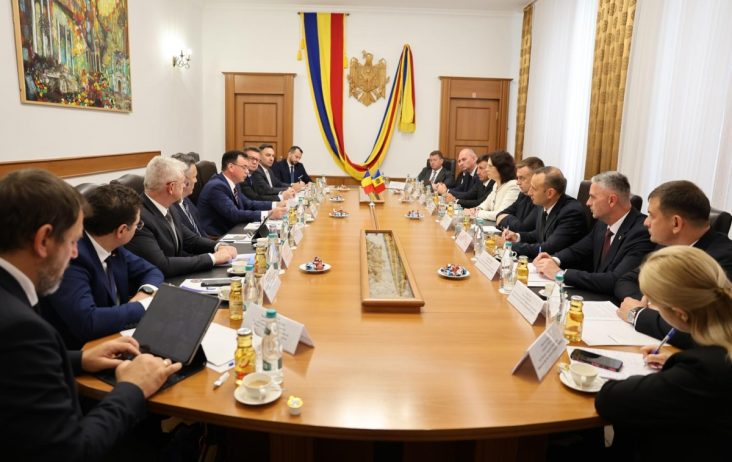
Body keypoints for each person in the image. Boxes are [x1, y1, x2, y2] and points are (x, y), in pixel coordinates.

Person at [0, 169, 181, 460]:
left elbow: (15, 364)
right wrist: (133, 387)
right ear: (43, 240)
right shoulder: (20, 329)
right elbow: (71, 451)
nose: (75, 254)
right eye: (72, 242)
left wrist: (81, 359)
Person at [595, 246, 732, 460]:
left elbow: (609, 400)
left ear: (680, 314)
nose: (648, 305)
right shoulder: (715, 353)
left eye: (652, 302)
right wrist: (676, 361)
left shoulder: (702, 372)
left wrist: (679, 371)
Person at [40, 184, 163, 349]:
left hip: (118, 334)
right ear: (122, 231)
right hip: (85, 349)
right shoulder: (72, 257)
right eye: (137, 225)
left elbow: (151, 271)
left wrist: (145, 293)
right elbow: (88, 322)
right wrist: (142, 306)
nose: (138, 228)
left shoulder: (112, 245)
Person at [614, 180, 732, 348]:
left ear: (676, 223)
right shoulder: (668, 243)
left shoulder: (722, 260)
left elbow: (705, 330)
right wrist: (656, 304)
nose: (646, 222)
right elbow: (625, 280)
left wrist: (638, 314)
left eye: (651, 215)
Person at [534, 171, 654, 296]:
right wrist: (554, 260)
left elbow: (615, 280)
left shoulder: (641, 232)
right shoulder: (602, 223)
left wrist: (561, 274)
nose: (588, 203)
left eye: (592, 197)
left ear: (612, 200)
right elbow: (578, 250)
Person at [126, 156, 237, 277]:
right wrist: (213, 258)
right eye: (183, 182)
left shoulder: (169, 206)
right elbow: (163, 265)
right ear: (171, 187)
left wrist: (218, 246)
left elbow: (191, 240)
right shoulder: (139, 218)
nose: (185, 186)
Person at [501, 167, 588, 259]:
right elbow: (540, 234)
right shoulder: (543, 203)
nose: (529, 192)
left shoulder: (571, 212)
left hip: (561, 265)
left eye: (534, 189)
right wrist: (517, 236)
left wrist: (509, 245)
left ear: (550, 193)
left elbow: (549, 248)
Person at [197, 150, 287, 236]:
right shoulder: (216, 186)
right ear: (231, 167)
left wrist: (275, 204)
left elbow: (248, 204)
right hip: (218, 236)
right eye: (244, 167)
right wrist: (268, 214)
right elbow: (234, 214)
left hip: (233, 229)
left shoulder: (234, 183)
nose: (247, 171)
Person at [467, 151, 520, 221]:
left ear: (501, 168)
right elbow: (485, 204)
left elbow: (501, 214)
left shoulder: (513, 186)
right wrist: (475, 209)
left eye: (490, 166)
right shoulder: (496, 184)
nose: (487, 169)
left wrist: (476, 213)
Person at [495, 156, 544, 231]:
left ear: (535, 177)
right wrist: (515, 222)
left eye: (522, 178)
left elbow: (523, 228)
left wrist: (505, 219)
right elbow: (500, 214)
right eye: (517, 178)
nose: (517, 183)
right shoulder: (522, 195)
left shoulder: (541, 199)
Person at [170, 152, 205, 237]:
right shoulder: (170, 208)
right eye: (194, 177)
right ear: (183, 179)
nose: (196, 180)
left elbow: (201, 232)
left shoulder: (186, 200)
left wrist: (216, 244)